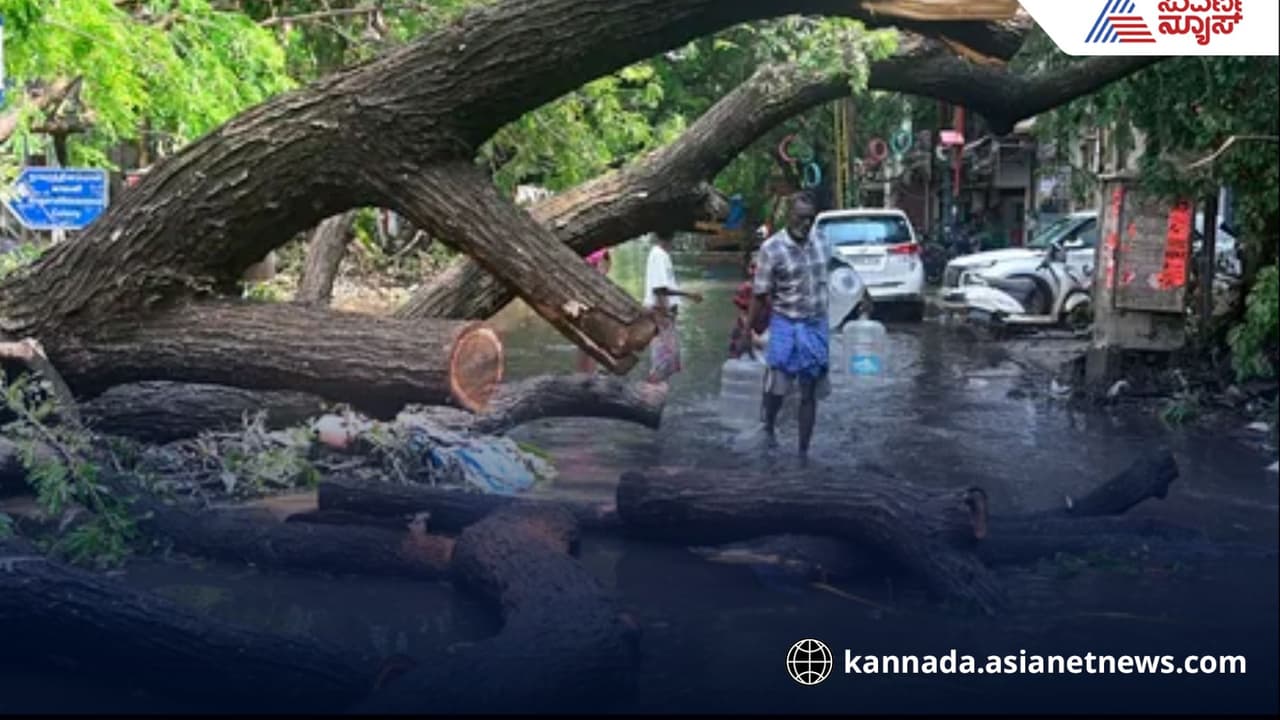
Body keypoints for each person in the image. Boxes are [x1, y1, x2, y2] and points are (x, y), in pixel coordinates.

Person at [745, 193, 829, 455]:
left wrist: (862, 294)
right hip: (785, 323)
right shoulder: (772, 249)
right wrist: (747, 331)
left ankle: (803, 451)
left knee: (809, 390)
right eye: (800, 218)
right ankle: (769, 424)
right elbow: (759, 295)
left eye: (810, 220)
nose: (806, 224)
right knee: (778, 387)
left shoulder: (822, 242)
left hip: (815, 325)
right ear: (788, 216)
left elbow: (839, 269)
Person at [643, 231, 703, 383]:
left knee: (668, 361)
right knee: (661, 361)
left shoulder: (663, 254)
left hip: (665, 314)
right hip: (661, 313)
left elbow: (663, 287)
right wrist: (688, 294)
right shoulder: (657, 254)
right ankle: (652, 394)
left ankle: (658, 394)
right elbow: (659, 289)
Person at [575, 249, 612, 373]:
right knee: (592, 341)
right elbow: (600, 279)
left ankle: (582, 375)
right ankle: (590, 375)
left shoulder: (589, 251)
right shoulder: (602, 254)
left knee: (583, 341)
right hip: (590, 300)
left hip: (580, 297)